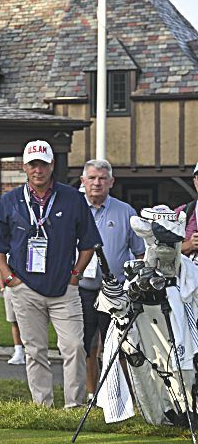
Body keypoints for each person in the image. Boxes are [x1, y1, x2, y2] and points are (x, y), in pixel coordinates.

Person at [0, 140, 101, 408]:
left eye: (43, 164)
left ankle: (73, 405)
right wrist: (9, 279)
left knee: (74, 346)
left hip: (65, 289)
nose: (37, 169)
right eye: (32, 164)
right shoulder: (10, 201)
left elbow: (89, 244)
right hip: (25, 287)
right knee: (34, 350)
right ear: (24, 167)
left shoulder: (73, 198)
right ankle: (43, 406)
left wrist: (76, 275)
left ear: (52, 165)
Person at [78, 159, 144, 400]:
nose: (97, 183)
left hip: (115, 290)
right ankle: (91, 392)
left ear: (111, 182)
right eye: (92, 178)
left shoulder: (125, 212)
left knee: (117, 344)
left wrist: (134, 284)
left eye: (102, 178)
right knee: (87, 344)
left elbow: (140, 252)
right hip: (82, 289)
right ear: (83, 181)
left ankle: (119, 394)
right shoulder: (74, 209)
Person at [175, 163, 198, 260]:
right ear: (195, 181)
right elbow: (163, 249)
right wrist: (190, 245)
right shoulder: (183, 212)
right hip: (190, 273)